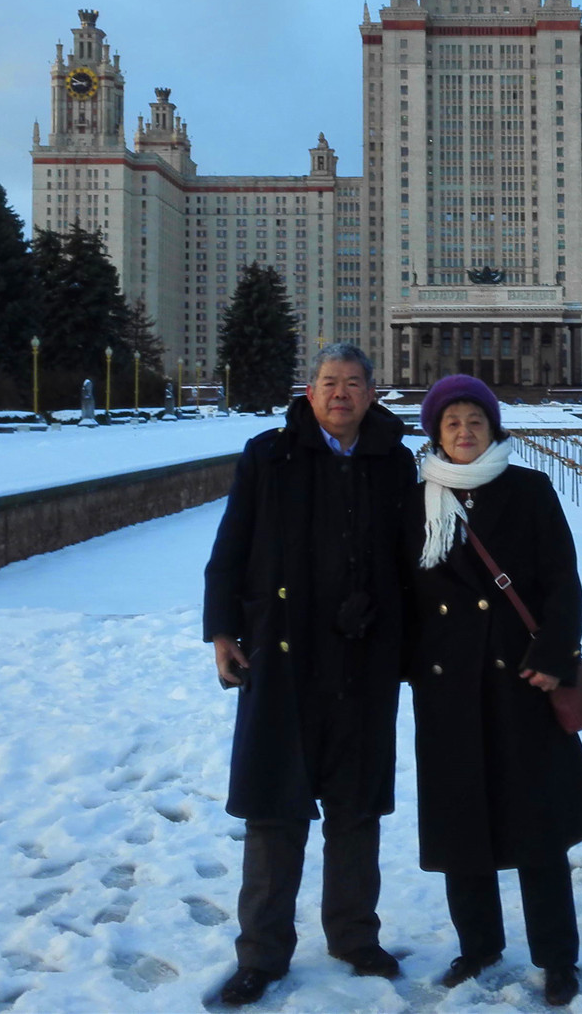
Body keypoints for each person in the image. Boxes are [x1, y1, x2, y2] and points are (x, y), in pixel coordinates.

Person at [201, 344, 419, 1006]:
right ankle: (262, 952)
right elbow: (231, 547)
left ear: (373, 394)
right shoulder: (269, 455)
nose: (341, 393)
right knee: (275, 809)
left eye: (354, 383)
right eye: (330, 382)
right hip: (283, 659)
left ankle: (354, 934)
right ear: (311, 390)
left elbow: (414, 560)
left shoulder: (394, 460)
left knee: (356, 809)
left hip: (363, 661)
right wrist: (221, 631)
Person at [410, 375, 582, 1008]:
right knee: (464, 825)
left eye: (476, 422)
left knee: (536, 826)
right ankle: (479, 944)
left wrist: (554, 658)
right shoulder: (420, 501)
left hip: (520, 680)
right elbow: (406, 594)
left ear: (494, 430)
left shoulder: (528, 490)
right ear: (436, 432)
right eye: (452, 423)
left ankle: (557, 955)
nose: (464, 432)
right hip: (449, 688)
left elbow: (561, 581)